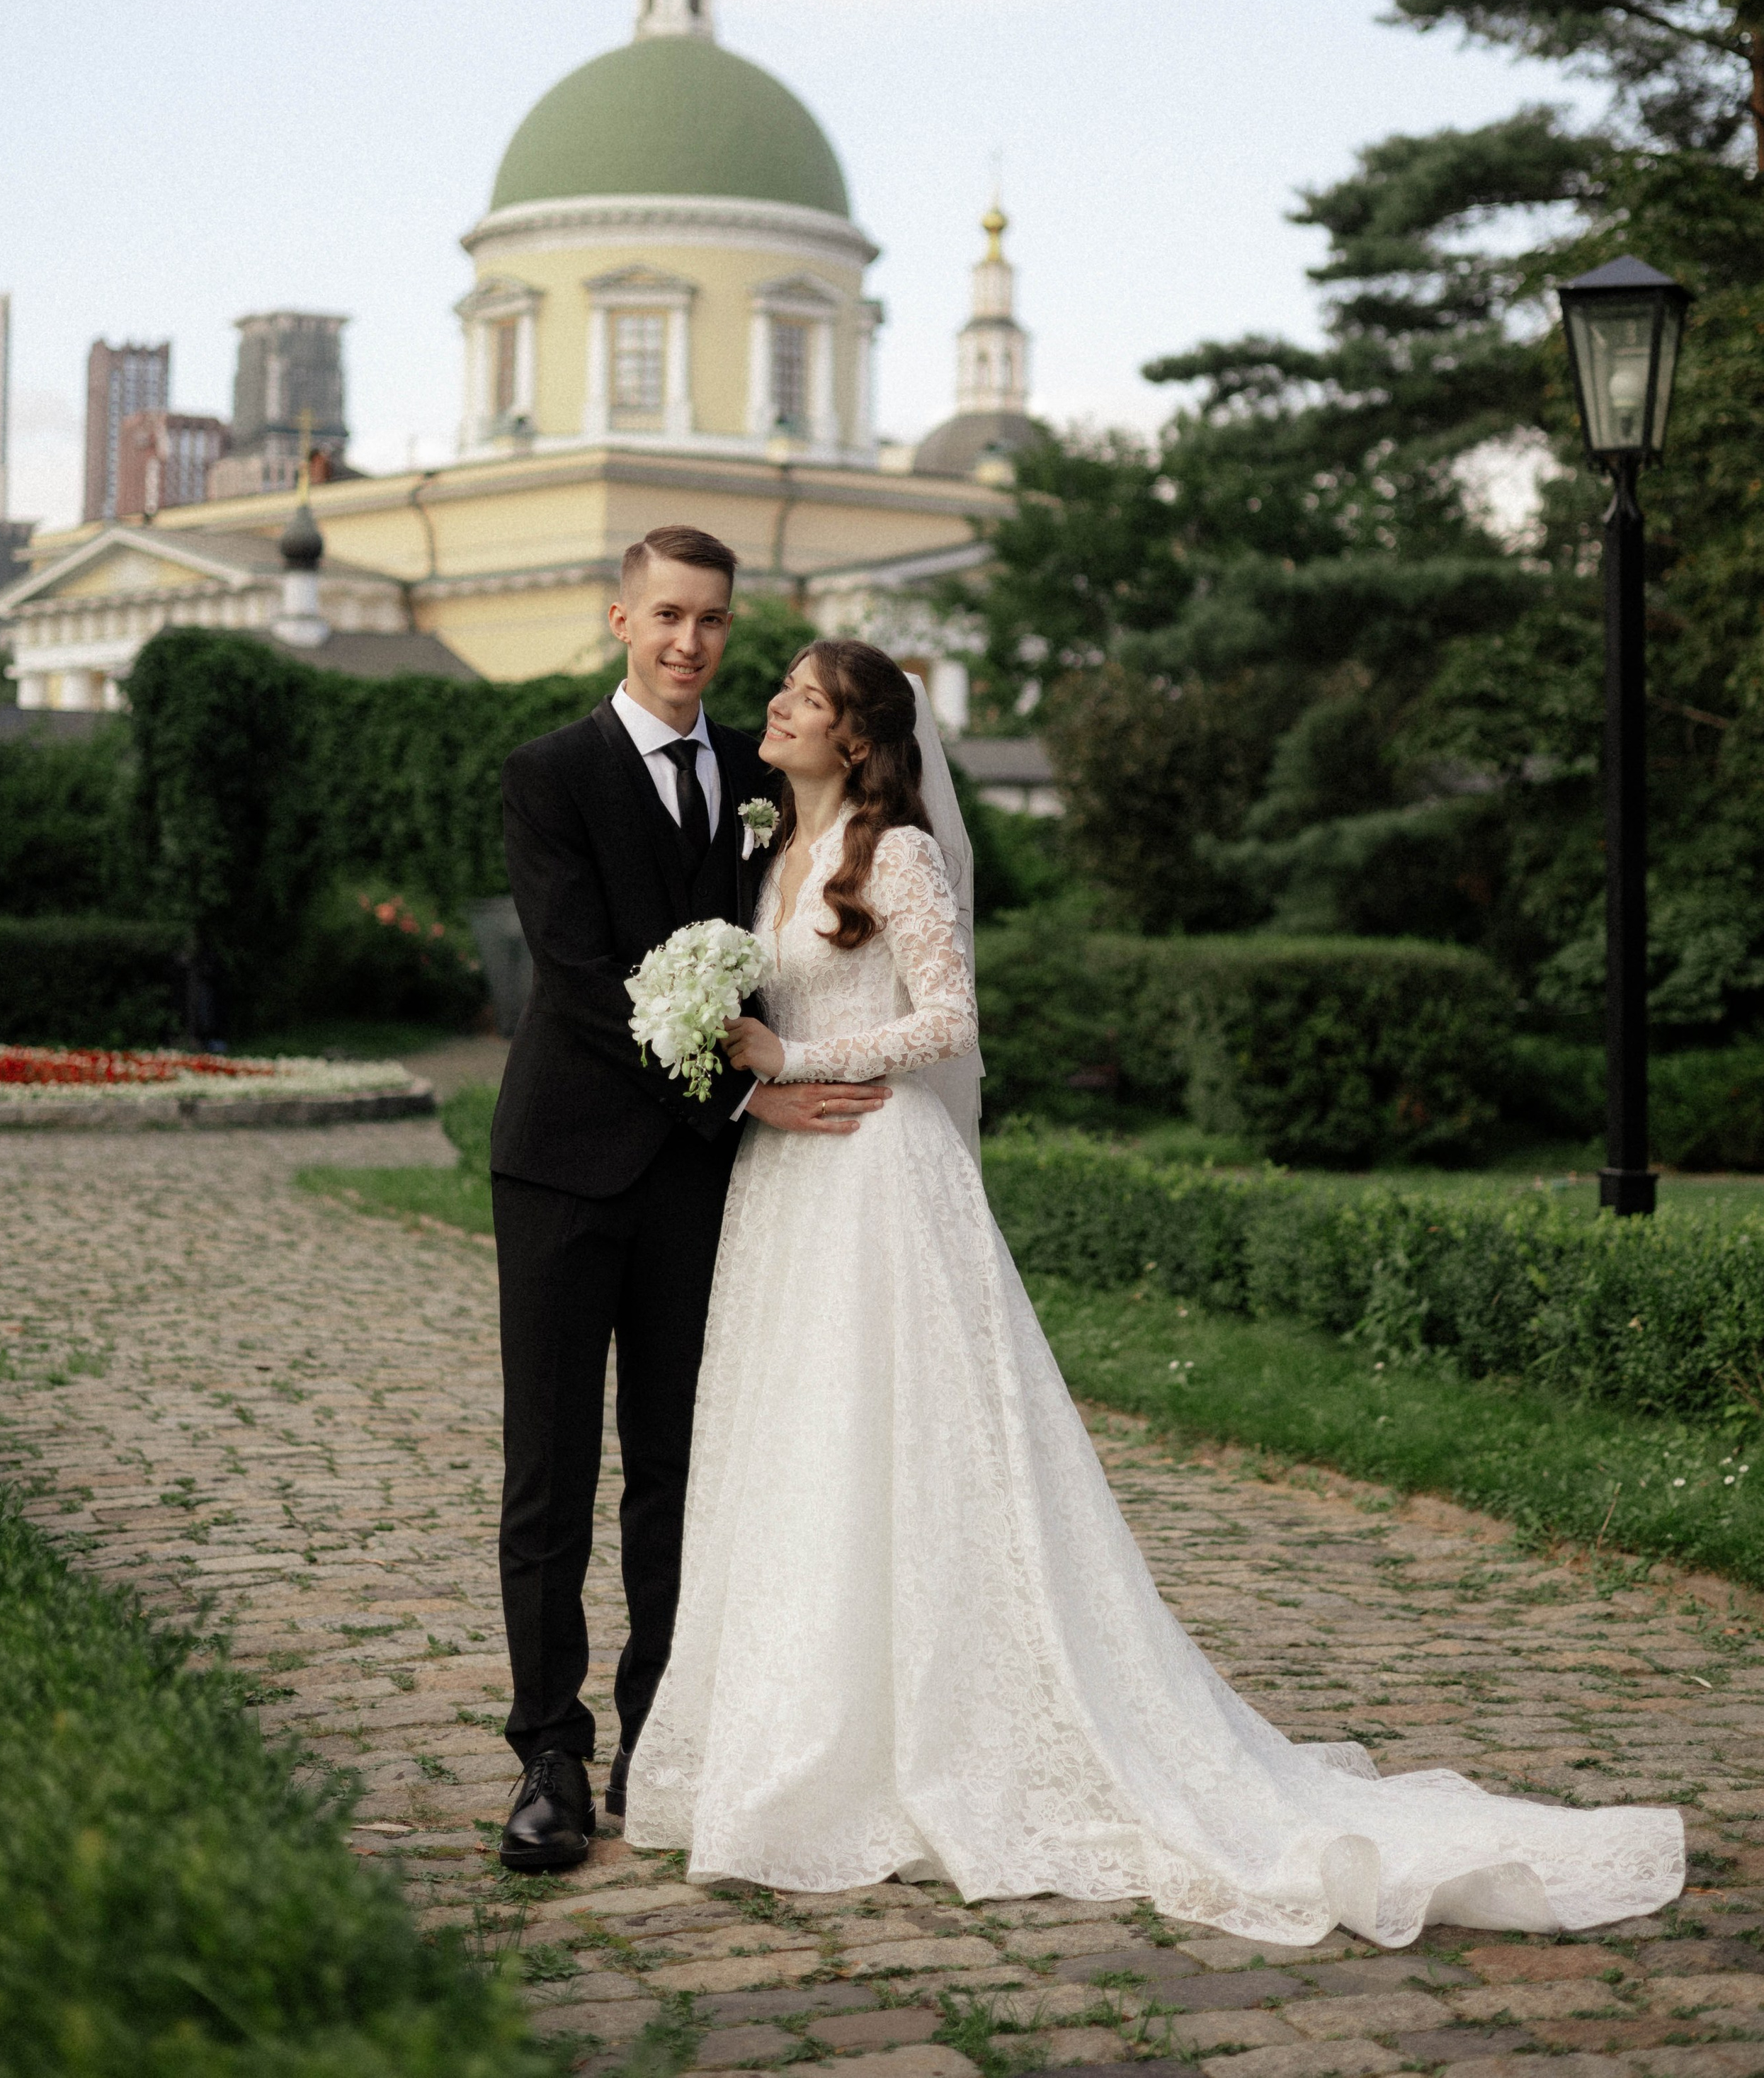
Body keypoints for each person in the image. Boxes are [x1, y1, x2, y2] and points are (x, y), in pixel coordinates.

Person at [625, 637, 1685, 1943]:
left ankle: (944, 1739)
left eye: (803, 696)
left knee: (904, 1447)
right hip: (787, 1184)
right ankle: (801, 1737)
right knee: (796, 1451)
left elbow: (949, 1021)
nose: (773, 705)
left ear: (855, 739)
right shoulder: (765, 849)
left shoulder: (891, 853)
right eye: (778, 687)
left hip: (880, 1177)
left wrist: (805, 1049)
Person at [489, 526, 892, 1873]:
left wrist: (786, 1082)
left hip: (699, 1188)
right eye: (667, 615)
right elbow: (582, 977)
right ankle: (549, 1754)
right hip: (562, 1161)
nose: (690, 643)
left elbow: (788, 962)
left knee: (675, 1468)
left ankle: (660, 1737)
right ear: (619, 617)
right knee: (550, 1470)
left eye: (714, 622)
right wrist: (740, 1096)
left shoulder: (761, 778)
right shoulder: (548, 774)